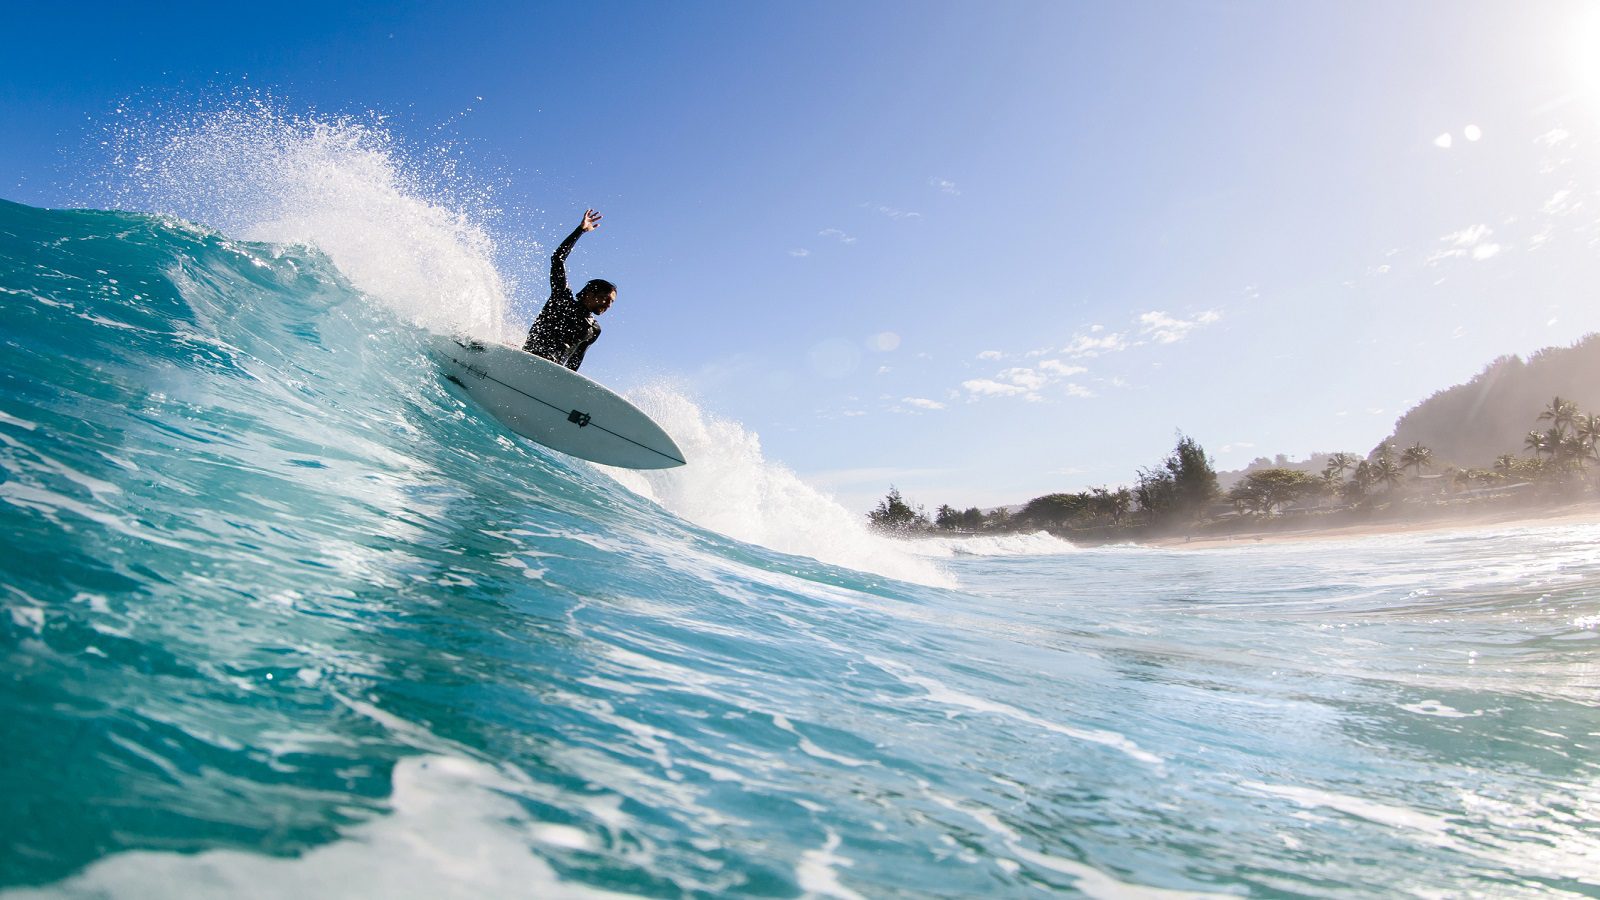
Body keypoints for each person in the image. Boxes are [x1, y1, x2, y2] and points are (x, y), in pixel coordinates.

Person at [522, 209, 617, 371]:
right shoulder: (562, 298)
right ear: (590, 293)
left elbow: (575, 361)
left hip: (551, 371)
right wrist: (580, 230)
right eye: (605, 298)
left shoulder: (594, 329)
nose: (608, 305)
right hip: (528, 356)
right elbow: (557, 259)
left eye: (612, 302)